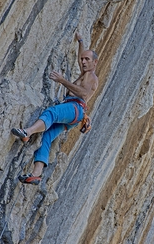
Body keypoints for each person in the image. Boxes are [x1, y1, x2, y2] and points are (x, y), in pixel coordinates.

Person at [11, 32, 99, 185]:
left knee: (51, 113)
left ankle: (27, 132)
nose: (83, 62)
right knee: (47, 136)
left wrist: (62, 80)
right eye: (83, 59)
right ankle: (36, 174)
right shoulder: (85, 73)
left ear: (95, 63)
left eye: (87, 60)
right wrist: (80, 42)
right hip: (74, 114)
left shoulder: (92, 77)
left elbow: (83, 93)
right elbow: (80, 58)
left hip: (74, 108)